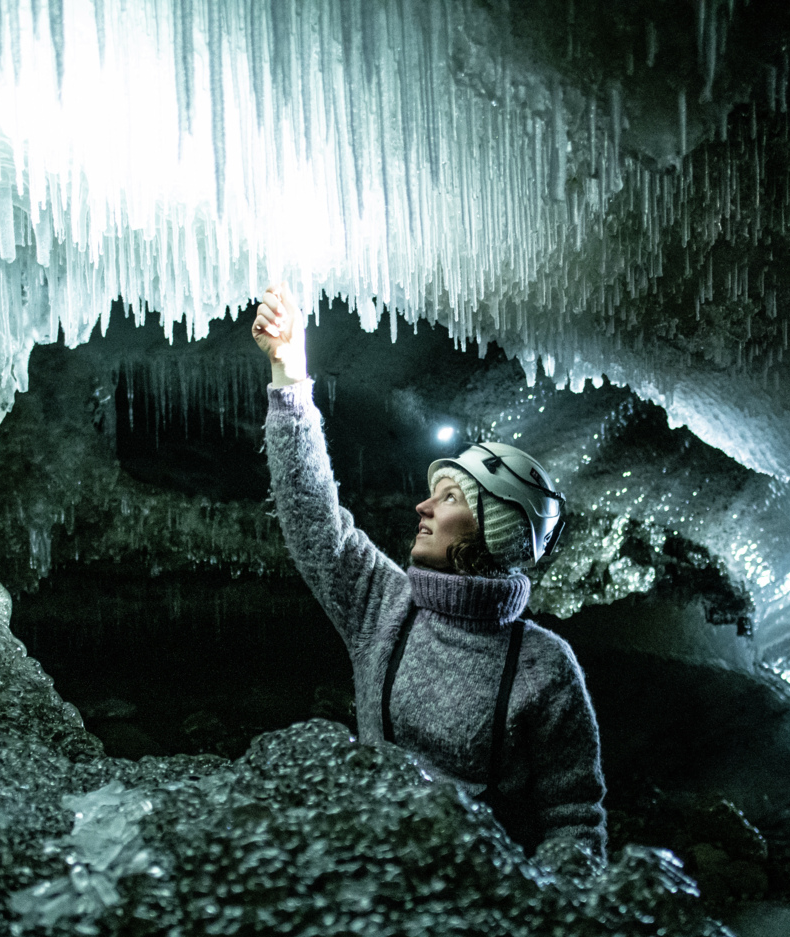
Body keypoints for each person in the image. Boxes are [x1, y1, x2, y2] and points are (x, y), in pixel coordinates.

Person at [251, 284, 607, 870]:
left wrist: (539, 921)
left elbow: (573, 818)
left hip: (478, 913)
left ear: (491, 530)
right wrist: (290, 379)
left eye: (446, 498)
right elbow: (315, 522)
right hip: (370, 888)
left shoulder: (545, 669)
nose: (422, 508)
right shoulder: (386, 607)